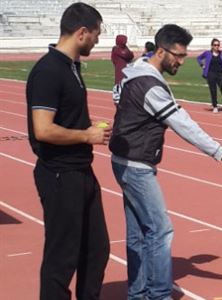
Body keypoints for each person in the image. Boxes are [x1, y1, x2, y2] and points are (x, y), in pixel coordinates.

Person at [109, 24, 222, 299]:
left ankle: (138, 293)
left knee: (139, 233)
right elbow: (183, 124)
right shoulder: (150, 84)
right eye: (178, 55)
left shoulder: (136, 70)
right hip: (136, 164)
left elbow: (116, 96)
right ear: (161, 51)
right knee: (160, 229)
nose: (182, 61)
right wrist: (220, 152)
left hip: (124, 159)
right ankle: (158, 294)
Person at [25, 3, 110, 299]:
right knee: (62, 257)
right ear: (82, 32)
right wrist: (86, 135)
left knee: (97, 249)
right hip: (59, 174)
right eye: (96, 35)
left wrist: (88, 131)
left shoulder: (70, 67)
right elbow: (43, 129)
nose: (98, 41)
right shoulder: (49, 71)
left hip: (80, 171)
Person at [197, 38, 222, 113]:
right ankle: (215, 106)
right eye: (215, 45)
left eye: (218, 45)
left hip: (220, 74)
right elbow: (199, 58)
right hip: (211, 74)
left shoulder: (221, 53)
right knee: (213, 91)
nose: (217, 46)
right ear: (212, 46)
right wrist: (202, 65)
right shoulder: (207, 53)